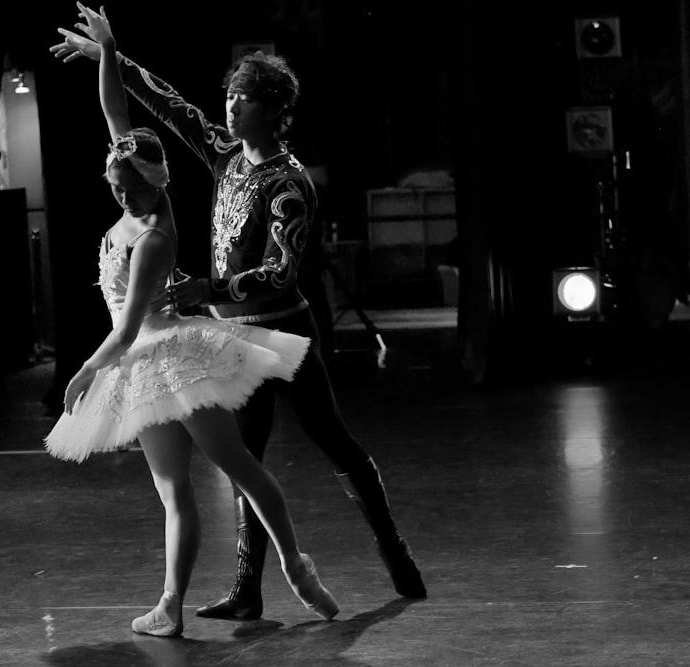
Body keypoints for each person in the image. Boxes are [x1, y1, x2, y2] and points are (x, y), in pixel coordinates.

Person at [51, 5, 427, 621]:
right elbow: (164, 106)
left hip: (283, 326)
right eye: (229, 96)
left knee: (332, 439)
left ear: (273, 111)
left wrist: (209, 287)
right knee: (242, 458)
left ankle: (393, 547)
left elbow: (281, 270)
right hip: (228, 328)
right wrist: (112, 57)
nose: (230, 107)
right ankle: (249, 588)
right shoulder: (224, 154)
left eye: (244, 99)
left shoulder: (290, 182)